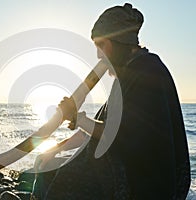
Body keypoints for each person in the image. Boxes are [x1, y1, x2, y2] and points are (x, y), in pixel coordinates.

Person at [32, 3, 191, 200]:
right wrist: (55, 149)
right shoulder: (127, 73)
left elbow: (118, 137)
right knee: (47, 164)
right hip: (125, 169)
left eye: (101, 46)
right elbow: (97, 133)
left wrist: (79, 119)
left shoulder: (147, 71)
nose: (99, 55)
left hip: (146, 185)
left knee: (63, 179)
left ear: (118, 42)